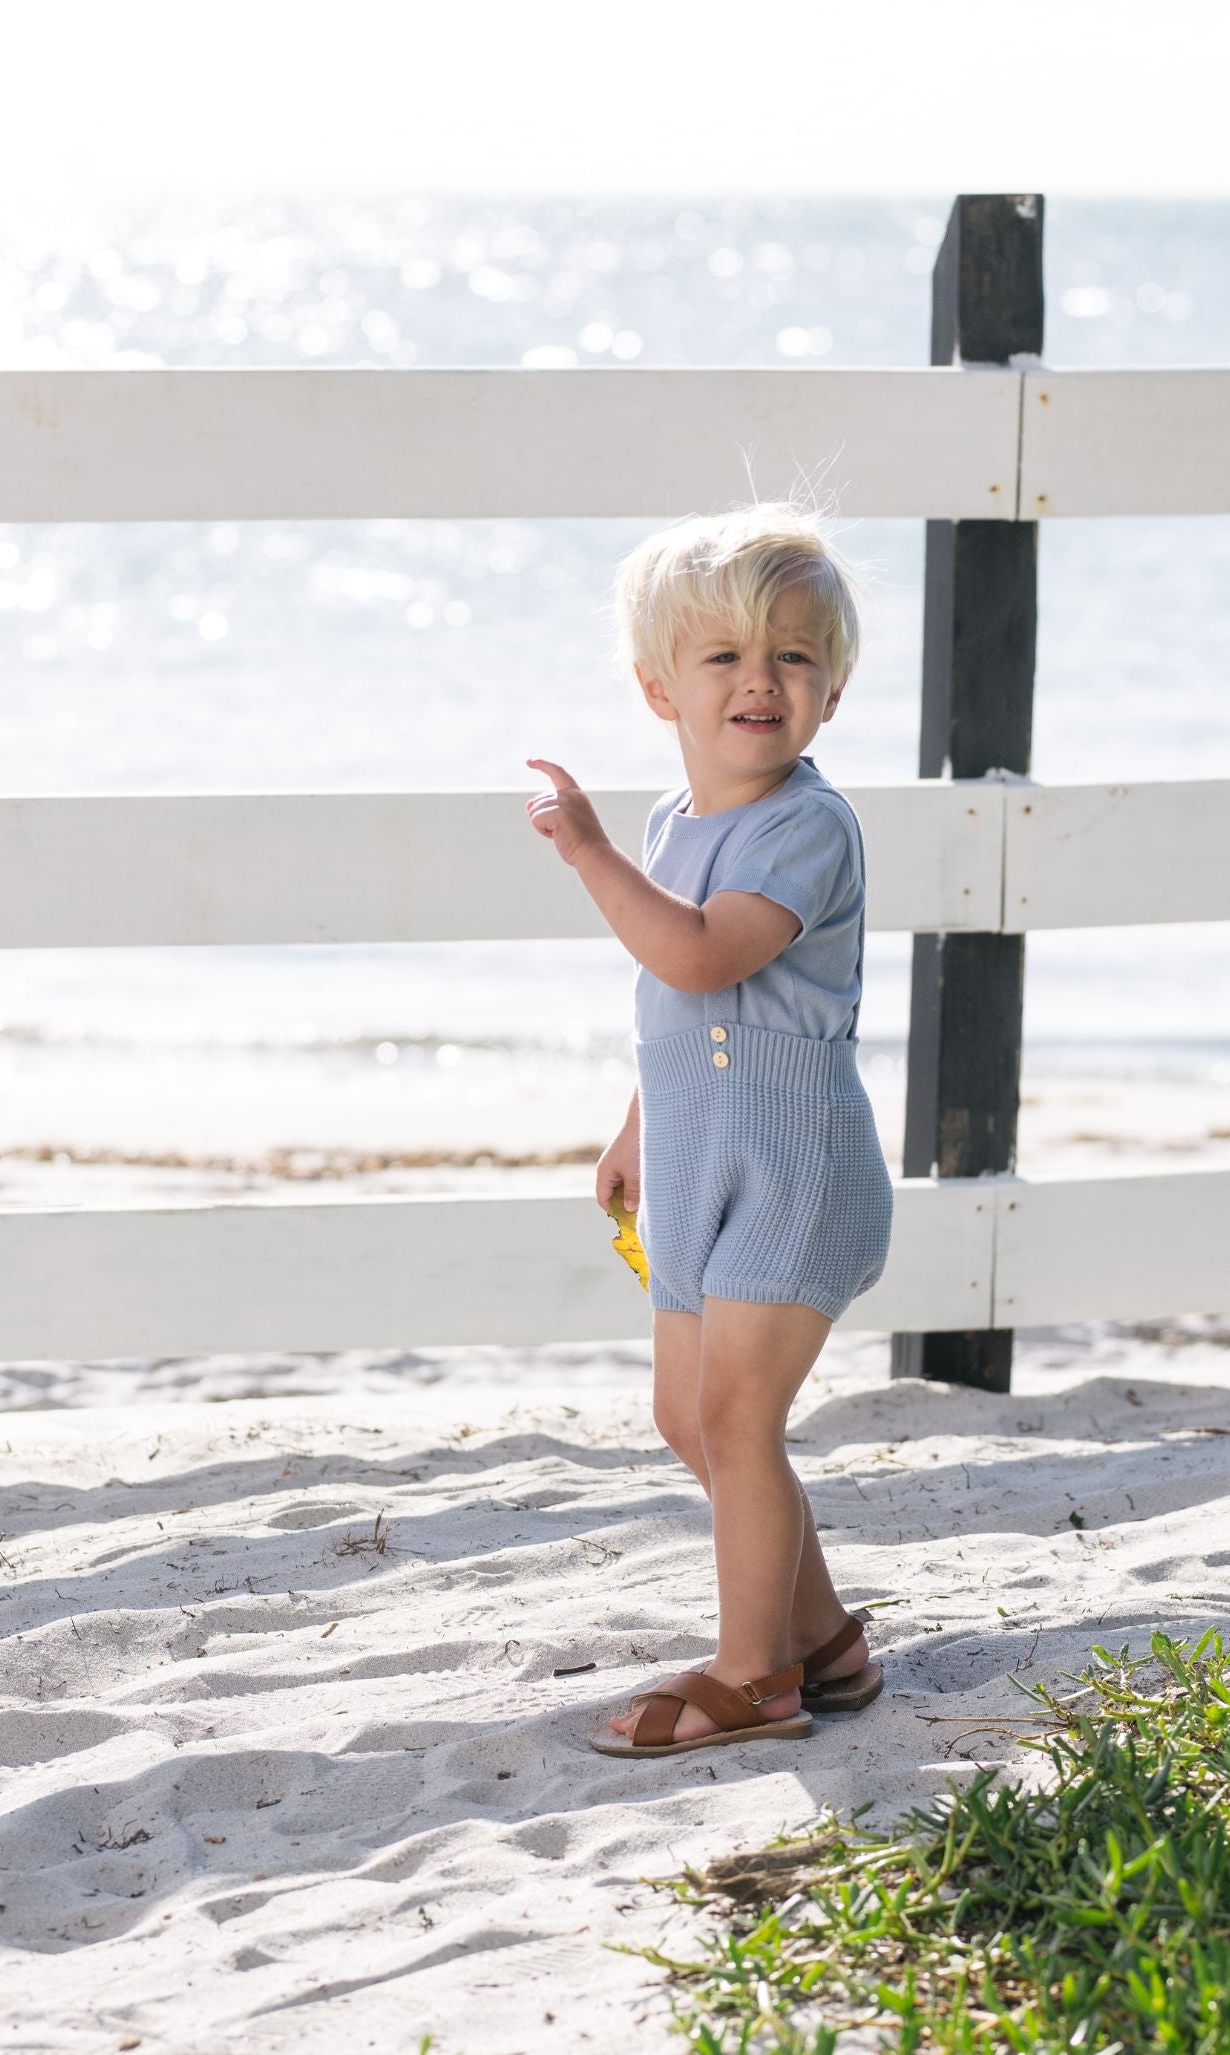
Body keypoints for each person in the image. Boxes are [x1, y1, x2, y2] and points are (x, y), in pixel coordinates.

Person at [524, 501, 892, 1758]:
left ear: (830, 693)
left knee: (740, 1416)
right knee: (687, 1415)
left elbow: (695, 955)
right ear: (657, 688)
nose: (759, 681)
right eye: (725, 657)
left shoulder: (805, 827)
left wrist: (583, 856)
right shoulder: (676, 827)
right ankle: (826, 1642)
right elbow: (674, 1009)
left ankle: (755, 1673)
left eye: (792, 657)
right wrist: (636, 1125)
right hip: (698, 1161)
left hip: (794, 1171)